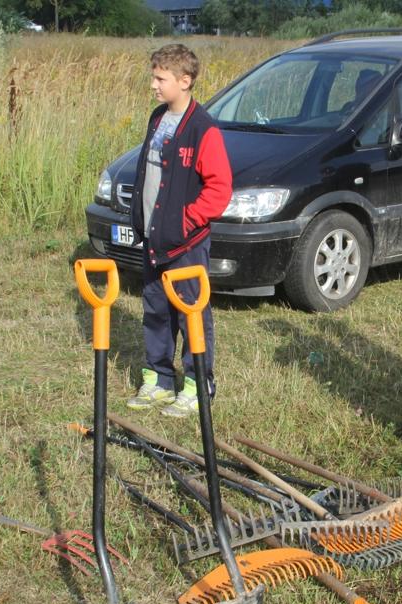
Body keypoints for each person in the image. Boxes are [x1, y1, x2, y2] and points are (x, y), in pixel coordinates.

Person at [126, 44, 233, 418]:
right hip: (155, 241)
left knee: (191, 315)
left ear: (184, 81)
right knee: (156, 311)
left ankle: (196, 384)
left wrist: (185, 220)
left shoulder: (204, 129)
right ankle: (159, 379)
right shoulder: (157, 118)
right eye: (153, 76)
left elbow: (219, 190)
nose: (153, 85)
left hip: (186, 243)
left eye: (160, 78)